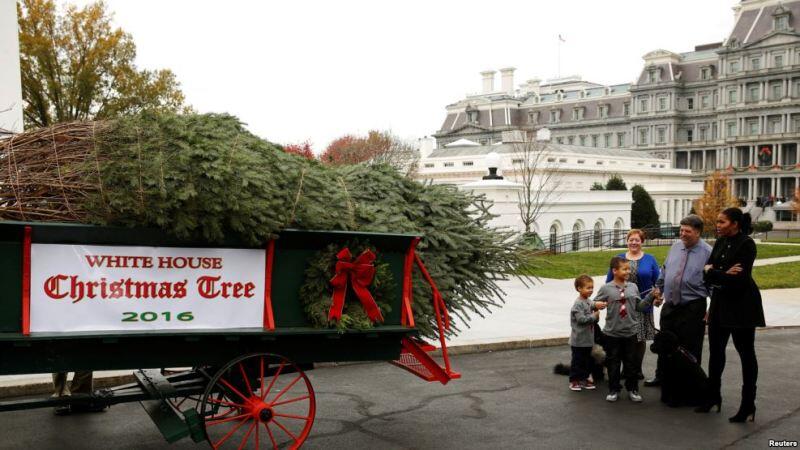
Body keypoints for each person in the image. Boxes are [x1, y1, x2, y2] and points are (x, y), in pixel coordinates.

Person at [696, 208, 765, 422]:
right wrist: (718, 274)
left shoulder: (746, 244)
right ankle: (713, 396)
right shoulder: (720, 242)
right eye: (717, 221)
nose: (717, 225)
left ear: (735, 223)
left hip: (742, 307)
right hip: (719, 305)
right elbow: (705, 276)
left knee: (746, 355)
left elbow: (739, 281)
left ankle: (748, 405)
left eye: (722, 221)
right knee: (716, 353)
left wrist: (713, 272)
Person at [646, 215, 712, 387]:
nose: (682, 234)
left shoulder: (707, 253)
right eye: (681, 230)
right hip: (671, 305)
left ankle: (689, 383)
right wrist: (659, 290)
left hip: (693, 307)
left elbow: (713, 283)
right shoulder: (675, 247)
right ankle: (662, 376)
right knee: (664, 343)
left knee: (689, 345)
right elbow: (665, 270)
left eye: (687, 231)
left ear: (697, 232)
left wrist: (713, 308)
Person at [596, 257, 661, 403]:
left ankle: (633, 389)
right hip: (612, 333)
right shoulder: (606, 288)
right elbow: (594, 303)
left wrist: (651, 296)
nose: (628, 271)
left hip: (631, 332)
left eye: (629, 269)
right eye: (624, 269)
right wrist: (596, 305)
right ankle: (614, 389)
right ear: (614, 271)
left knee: (631, 363)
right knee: (613, 363)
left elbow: (640, 307)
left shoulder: (633, 287)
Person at [605, 229, 660, 381]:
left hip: (643, 304)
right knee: (623, 337)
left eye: (637, 240)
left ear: (642, 241)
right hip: (623, 306)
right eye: (631, 239)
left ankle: (636, 369)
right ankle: (624, 369)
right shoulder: (618, 258)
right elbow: (609, 281)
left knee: (639, 338)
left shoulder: (650, 259)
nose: (634, 242)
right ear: (627, 241)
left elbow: (659, 281)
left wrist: (657, 297)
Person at [568, 274, 606, 391]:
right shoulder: (578, 304)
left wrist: (598, 304)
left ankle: (585, 379)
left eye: (592, 287)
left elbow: (591, 304)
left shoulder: (587, 301)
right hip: (579, 341)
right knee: (577, 361)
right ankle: (574, 381)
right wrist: (594, 316)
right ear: (579, 289)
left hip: (588, 340)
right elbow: (581, 320)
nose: (591, 290)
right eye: (588, 288)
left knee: (587, 361)